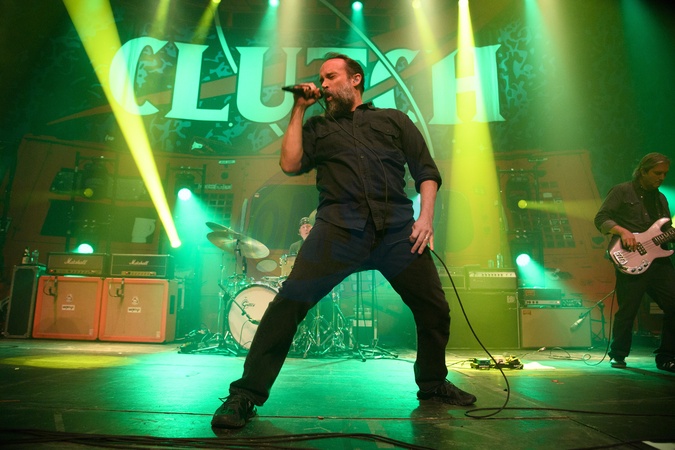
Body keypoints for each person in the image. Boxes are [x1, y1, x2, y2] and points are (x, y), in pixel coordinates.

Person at [211, 53, 477, 429]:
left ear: (355, 79)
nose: (323, 83)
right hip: (338, 230)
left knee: (434, 308)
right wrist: (298, 109)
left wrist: (426, 219)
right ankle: (245, 394)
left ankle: (432, 384)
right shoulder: (318, 126)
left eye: (331, 76)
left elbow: (426, 171)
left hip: (396, 232)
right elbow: (290, 164)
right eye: (320, 78)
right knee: (287, 305)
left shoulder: (393, 120)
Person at [594, 152, 675, 372]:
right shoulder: (622, 191)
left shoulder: (661, 198)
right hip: (630, 258)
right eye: (657, 173)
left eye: (665, 174)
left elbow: (665, 229)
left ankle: (667, 357)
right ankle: (618, 354)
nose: (661, 178)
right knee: (628, 311)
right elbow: (601, 218)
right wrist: (623, 231)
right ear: (643, 171)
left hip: (658, 262)